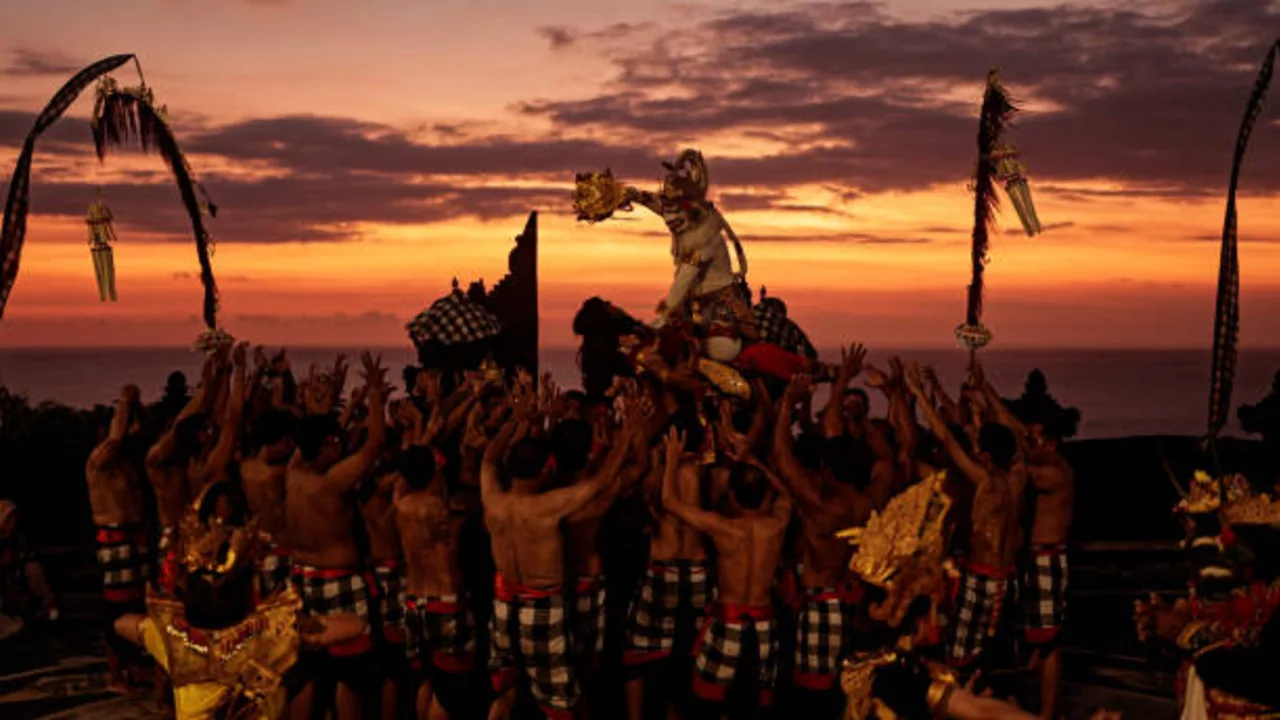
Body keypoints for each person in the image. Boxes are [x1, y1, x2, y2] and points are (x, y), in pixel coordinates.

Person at [482, 390, 639, 720]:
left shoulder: (493, 499)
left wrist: (515, 420)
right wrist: (627, 434)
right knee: (559, 704)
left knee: (505, 693)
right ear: (545, 470)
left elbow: (488, 460)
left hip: (503, 604)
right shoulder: (548, 506)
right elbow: (601, 482)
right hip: (541, 608)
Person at [904, 363, 1028, 680]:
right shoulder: (1019, 477)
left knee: (960, 656)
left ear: (986, 454)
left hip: (984, 579)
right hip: (1010, 578)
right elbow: (1016, 435)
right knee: (997, 656)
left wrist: (918, 393)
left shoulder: (988, 483)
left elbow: (947, 439)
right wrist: (984, 394)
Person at [660, 426, 791, 714]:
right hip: (764, 625)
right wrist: (752, 460)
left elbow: (669, 501)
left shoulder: (724, 527)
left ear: (731, 496)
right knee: (754, 707)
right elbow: (786, 493)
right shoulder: (776, 526)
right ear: (764, 496)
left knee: (706, 705)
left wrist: (671, 460)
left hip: (727, 622)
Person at [286, 352, 387, 720]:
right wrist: (374, 394)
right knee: (351, 673)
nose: (342, 446)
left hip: (302, 578)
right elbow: (375, 443)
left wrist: (328, 410)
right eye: (336, 442)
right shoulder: (331, 483)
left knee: (309, 669)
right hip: (338, 582)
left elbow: (310, 438)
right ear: (327, 445)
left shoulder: (294, 472)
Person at [975, 362, 1074, 720]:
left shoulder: (1053, 472)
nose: (1028, 444)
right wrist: (986, 390)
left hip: (1048, 559)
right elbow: (1015, 434)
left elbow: (1014, 458)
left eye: (1034, 439)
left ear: (1051, 442)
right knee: (1035, 638)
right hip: (1036, 559)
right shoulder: (1046, 463)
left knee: (1047, 642)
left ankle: (1048, 714)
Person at [774, 375, 873, 713]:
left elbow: (783, 459)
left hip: (822, 606)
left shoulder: (822, 506)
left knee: (813, 695)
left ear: (830, 468)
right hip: (850, 602)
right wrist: (841, 382)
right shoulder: (867, 501)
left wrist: (787, 405)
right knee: (844, 688)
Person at [622, 411, 714, 720]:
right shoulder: (706, 473)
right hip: (698, 569)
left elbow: (651, 508)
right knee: (688, 652)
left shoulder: (660, 473)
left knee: (639, 650)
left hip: (663, 567)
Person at [396, 398, 477, 720]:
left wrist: (425, 433)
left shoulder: (401, 502)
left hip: (414, 601)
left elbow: (406, 471)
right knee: (451, 692)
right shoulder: (443, 512)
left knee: (427, 679)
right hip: (445, 603)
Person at [87, 383, 153, 689]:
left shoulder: (126, 460)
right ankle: (116, 671)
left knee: (139, 602)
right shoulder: (98, 462)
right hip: (115, 539)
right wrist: (125, 403)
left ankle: (134, 666)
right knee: (118, 606)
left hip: (135, 537)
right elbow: (116, 438)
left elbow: (142, 431)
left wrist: (136, 406)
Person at [240, 408, 296, 596]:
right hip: (281, 548)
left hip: (260, 549)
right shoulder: (282, 473)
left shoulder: (243, 470)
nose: (290, 447)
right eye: (287, 442)